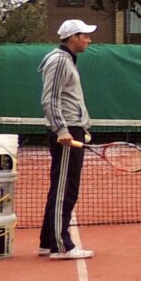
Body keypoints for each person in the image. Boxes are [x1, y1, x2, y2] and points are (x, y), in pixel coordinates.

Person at [37, 19, 97, 260]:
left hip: (73, 128)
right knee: (65, 188)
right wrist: (62, 129)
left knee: (63, 186)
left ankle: (47, 242)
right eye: (85, 36)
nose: (89, 40)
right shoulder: (60, 60)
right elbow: (50, 99)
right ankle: (61, 246)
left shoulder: (67, 60)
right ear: (74, 38)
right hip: (66, 132)